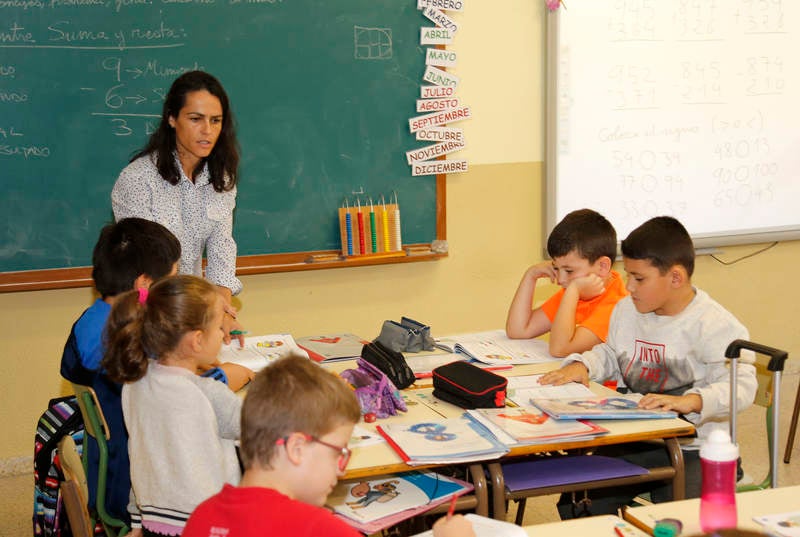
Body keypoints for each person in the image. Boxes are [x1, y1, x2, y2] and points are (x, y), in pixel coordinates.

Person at [540, 216, 757, 517]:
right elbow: (612, 353)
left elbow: (741, 387)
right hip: (636, 439)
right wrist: (583, 365)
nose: (629, 286)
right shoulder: (627, 310)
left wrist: (690, 401)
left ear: (676, 278)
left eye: (639, 278)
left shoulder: (716, 325)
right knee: (579, 501)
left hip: (696, 449)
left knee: (682, 519)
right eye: (628, 275)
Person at [182, 356, 475, 537]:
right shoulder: (320, 530)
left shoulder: (201, 518)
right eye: (338, 452)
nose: (341, 468)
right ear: (297, 448)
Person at [60, 217, 181, 527]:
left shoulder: (91, 321)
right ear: (143, 285)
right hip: (134, 488)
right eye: (171, 279)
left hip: (106, 468)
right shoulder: (130, 345)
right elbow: (183, 394)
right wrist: (231, 373)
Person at [102, 275, 243, 536]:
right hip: (206, 525)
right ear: (197, 340)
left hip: (154, 523)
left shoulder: (135, 384)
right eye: (218, 327)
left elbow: (141, 454)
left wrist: (136, 523)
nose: (224, 333)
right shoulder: (209, 392)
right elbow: (259, 428)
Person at [111, 70, 244, 343]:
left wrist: (223, 309)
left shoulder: (222, 178)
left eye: (215, 121)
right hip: (144, 321)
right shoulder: (137, 180)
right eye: (195, 119)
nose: (207, 130)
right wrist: (205, 311)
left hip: (192, 316)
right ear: (172, 119)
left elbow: (221, 248)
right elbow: (146, 272)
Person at [506, 208, 627, 357]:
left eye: (569, 271)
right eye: (556, 268)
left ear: (602, 266)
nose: (561, 279)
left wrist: (573, 291)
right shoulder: (575, 291)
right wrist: (530, 276)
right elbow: (518, 330)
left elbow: (560, 349)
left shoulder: (617, 305)